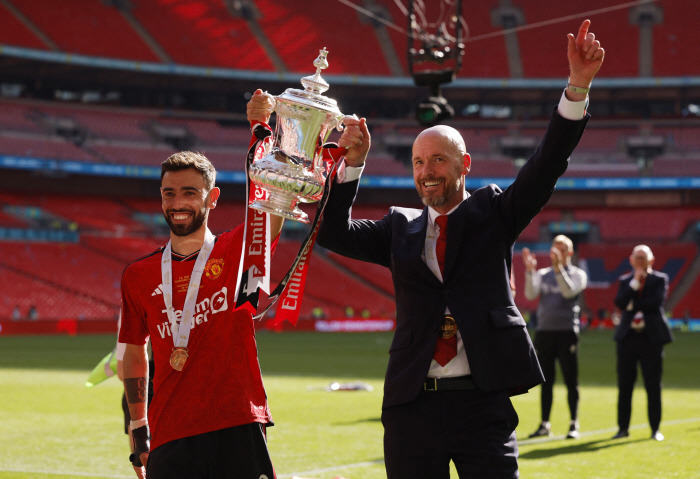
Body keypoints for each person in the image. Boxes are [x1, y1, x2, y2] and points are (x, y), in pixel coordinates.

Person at [285, 19, 599, 479]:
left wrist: (577, 88)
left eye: (437, 160)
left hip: (482, 403)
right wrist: (352, 167)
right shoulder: (400, 227)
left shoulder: (495, 213)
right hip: (412, 406)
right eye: (417, 162)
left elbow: (546, 165)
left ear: (464, 165)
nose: (425, 171)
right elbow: (333, 234)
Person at [119, 151, 283, 478]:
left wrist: (263, 134)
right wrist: (138, 429)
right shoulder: (137, 275)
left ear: (213, 198)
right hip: (170, 433)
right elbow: (135, 351)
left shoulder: (237, 249)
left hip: (237, 422)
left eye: (190, 192)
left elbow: (274, 210)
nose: (178, 203)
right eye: (170, 193)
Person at [523, 236, 587, 439]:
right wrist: (530, 271)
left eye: (561, 250)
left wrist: (559, 270)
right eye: (554, 249)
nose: (556, 254)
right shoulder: (543, 274)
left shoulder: (578, 274)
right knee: (546, 380)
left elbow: (568, 293)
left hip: (567, 332)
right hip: (544, 332)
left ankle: (573, 423)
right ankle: (544, 424)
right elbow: (530, 294)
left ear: (569, 253)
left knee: (571, 380)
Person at [612, 245, 673, 442]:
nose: (639, 261)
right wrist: (635, 284)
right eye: (637, 257)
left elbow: (655, 303)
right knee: (625, 386)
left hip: (651, 338)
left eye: (643, 258)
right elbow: (620, 303)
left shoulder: (659, 279)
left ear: (651, 260)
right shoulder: (625, 281)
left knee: (653, 385)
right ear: (631, 260)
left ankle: (655, 429)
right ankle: (623, 428)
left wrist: (631, 303)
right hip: (628, 338)